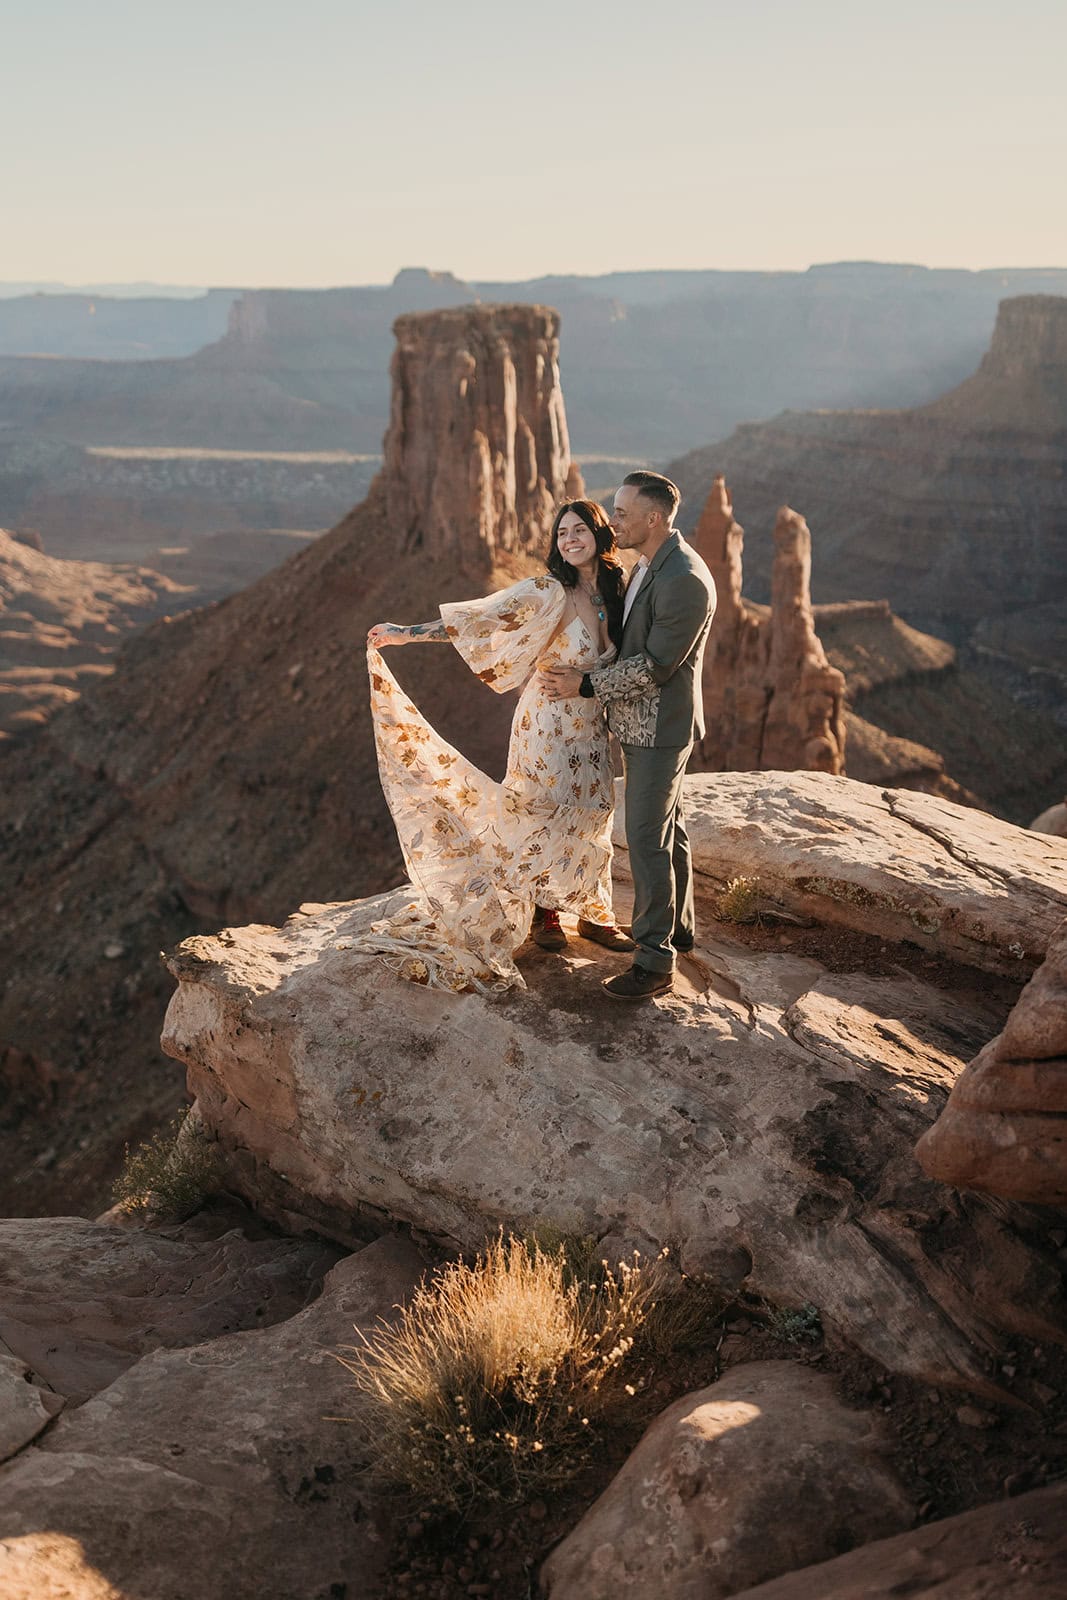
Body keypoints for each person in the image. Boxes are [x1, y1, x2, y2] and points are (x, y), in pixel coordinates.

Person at [355, 499, 635, 993]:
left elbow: (630, 655)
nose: (569, 539)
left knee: (593, 808)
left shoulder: (617, 587)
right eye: (561, 532)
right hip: (545, 720)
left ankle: (592, 912)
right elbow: (479, 623)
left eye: (579, 530)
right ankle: (546, 909)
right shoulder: (548, 590)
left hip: (592, 720)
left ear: (599, 534)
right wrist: (406, 634)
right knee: (541, 805)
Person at [541, 471, 716, 1000]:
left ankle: (654, 961)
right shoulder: (650, 562)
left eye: (620, 512)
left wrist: (584, 683)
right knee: (670, 828)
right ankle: (680, 932)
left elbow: (658, 665)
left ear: (653, 518)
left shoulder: (683, 577)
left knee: (645, 837)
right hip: (646, 723)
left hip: (659, 727)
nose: (611, 521)